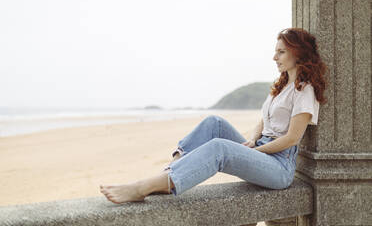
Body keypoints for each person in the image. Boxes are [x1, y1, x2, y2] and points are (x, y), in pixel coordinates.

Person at [99, 27, 329, 204]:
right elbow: (264, 120)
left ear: (298, 54)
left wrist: (254, 150)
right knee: (214, 123)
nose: (274, 57)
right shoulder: (282, 86)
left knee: (220, 147)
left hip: (279, 166)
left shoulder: (304, 90)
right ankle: (168, 174)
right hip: (261, 150)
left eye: (281, 52)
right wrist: (251, 139)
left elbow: (291, 139)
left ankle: (143, 187)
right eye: (275, 51)